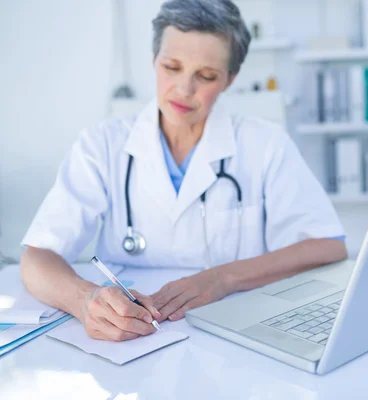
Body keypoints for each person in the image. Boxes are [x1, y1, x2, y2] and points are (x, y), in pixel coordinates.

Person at [20, 0, 347, 342]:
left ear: (229, 79)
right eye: (172, 67)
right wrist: (84, 300)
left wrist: (222, 279)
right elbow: (37, 257)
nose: (184, 89)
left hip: (233, 334)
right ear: (153, 61)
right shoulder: (102, 145)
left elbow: (327, 246)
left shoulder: (265, 144)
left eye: (205, 76)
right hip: (132, 339)